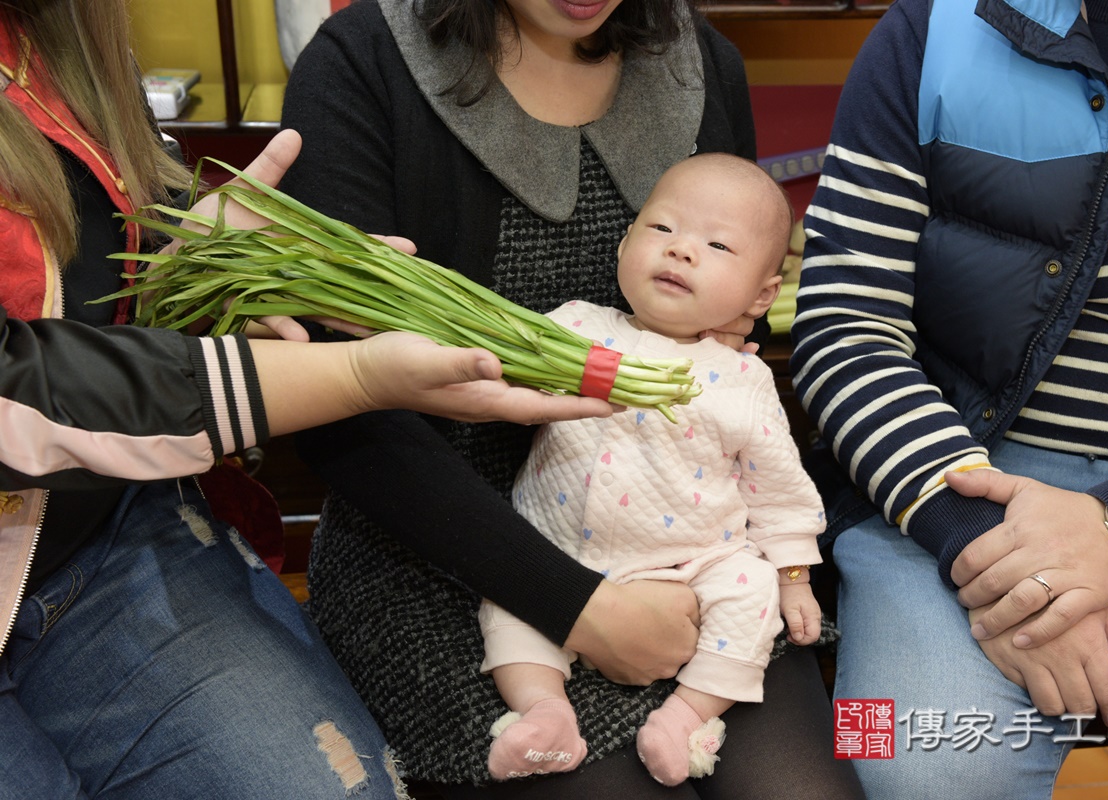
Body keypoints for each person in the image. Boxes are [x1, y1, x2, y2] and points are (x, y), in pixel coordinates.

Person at [0, 2, 613, 798]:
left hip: (97, 532)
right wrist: (357, 377)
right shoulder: (365, 55)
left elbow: (81, 260)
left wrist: (176, 258)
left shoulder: (57, 33)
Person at [279, 0, 864, 796]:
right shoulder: (365, 62)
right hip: (441, 545)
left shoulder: (701, 63)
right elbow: (330, 396)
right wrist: (576, 605)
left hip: (686, 530)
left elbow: (726, 322)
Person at [794, 0, 1108, 796]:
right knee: (920, 766)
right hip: (953, 492)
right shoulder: (928, 30)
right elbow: (844, 326)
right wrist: (994, 558)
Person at [479, 154, 824, 786]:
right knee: (509, 601)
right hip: (555, 552)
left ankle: (687, 715)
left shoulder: (744, 379)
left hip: (692, 561)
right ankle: (543, 713)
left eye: (717, 245)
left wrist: (794, 576)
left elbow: (776, 489)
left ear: (761, 295)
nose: (682, 251)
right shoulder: (576, 327)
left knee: (751, 590)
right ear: (623, 246)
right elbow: (506, 364)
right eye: (661, 230)